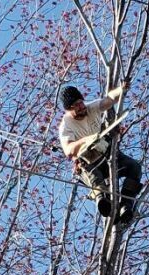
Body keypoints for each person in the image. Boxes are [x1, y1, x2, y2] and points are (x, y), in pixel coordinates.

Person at [57, 83, 143, 223]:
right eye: (76, 106)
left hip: (107, 154)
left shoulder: (91, 108)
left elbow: (109, 100)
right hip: (89, 163)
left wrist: (121, 89)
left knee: (134, 168)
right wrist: (85, 141)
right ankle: (105, 206)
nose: (81, 107)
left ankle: (126, 204)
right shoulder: (66, 126)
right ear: (68, 109)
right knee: (98, 185)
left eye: (81, 103)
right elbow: (68, 150)